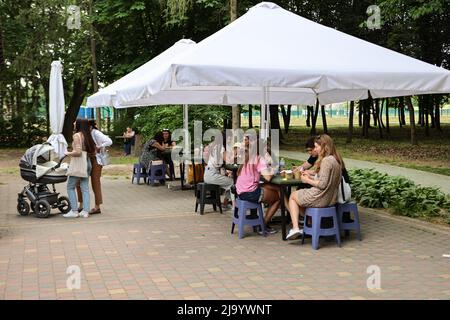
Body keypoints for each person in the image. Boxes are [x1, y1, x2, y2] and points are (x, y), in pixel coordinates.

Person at [286, 134, 344, 240]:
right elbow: (326, 179)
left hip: (321, 197)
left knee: (293, 195)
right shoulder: (336, 159)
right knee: (300, 194)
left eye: (317, 147)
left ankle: (295, 228)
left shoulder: (327, 160)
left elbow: (322, 184)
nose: (315, 150)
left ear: (324, 146)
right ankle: (311, 225)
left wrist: (306, 180)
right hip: (330, 198)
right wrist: (311, 176)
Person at [235, 134, 280, 234]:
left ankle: (262, 222)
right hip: (250, 193)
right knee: (278, 198)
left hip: (240, 192)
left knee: (276, 188)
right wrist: (273, 169)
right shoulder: (260, 158)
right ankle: (263, 225)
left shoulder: (248, 157)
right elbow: (268, 177)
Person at [76, 120, 112, 215]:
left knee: (95, 182)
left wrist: (100, 146)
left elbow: (109, 141)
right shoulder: (82, 134)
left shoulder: (95, 132)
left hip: (96, 160)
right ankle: (81, 204)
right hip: (87, 159)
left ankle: (97, 206)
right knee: (79, 181)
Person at [63, 118, 96, 218]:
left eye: (75, 122)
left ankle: (74, 211)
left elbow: (78, 152)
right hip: (87, 162)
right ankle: (85, 211)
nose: (73, 123)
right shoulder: (87, 135)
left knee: (70, 186)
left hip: (79, 164)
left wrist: (67, 153)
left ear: (79, 124)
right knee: (85, 188)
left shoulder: (77, 135)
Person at [203, 133, 233, 209]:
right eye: (229, 138)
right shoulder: (221, 147)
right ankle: (234, 205)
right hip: (212, 175)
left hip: (208, 173)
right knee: (233, 183)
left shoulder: (213, 146)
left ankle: (226, 203)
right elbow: (228, 160)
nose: (230, 140)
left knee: (230, 182)